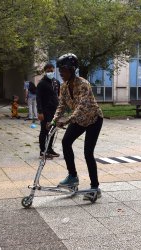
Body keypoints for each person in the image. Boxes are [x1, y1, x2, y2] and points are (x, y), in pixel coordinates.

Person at [50, 53, 103, 199]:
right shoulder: (64, 86)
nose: (61, 73)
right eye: (59, 70)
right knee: (66, 142)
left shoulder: (83, 84)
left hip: (93, 119)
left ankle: (95, 187)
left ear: (72, 70)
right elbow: (61, 105)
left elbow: (81, 106)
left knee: (88, 153)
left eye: (64, 70)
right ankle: (72, 176)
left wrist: (66, 121)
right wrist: (54, 120)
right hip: (79, 120)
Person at [37, 63, 61, 159]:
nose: (50, 72)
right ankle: (43, 151)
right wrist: (40, 112)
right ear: (45, 71)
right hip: (45, 111)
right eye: (48, 71)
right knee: (44, 131)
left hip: (54, 110)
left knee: (52, 130)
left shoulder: (56, 82)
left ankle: (49, 149)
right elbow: (38, 98)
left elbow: (57, 96)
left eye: (51, 71)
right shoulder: (41, 83)